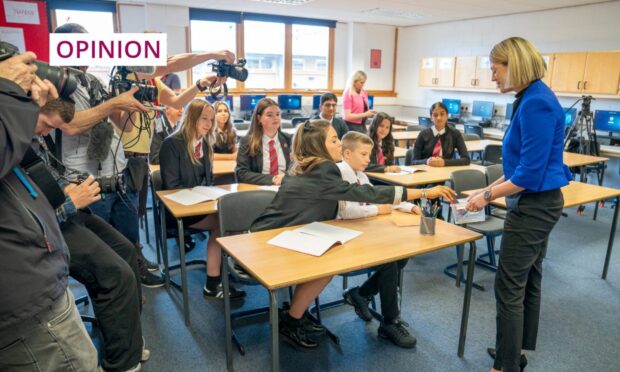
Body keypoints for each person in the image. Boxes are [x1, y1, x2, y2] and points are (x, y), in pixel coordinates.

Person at [250, 119, 456, 350]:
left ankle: (296, 313)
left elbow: (364, 191)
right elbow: (365, 192)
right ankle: (291, 320)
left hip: (281, 233)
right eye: (334, 139)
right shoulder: (323, 169)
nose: (339, 143)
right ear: (319, 145)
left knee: (331, 263)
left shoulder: (310, 166)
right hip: (269, 240)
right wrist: (423, 192)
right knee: (327, 265)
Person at [465, 37, 571, 372]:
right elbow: (518, 169)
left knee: (509, 285)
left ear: (516, 66)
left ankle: (506, 365)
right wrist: (486, 188)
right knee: (526, 280)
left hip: (535, 205)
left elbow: (528, 173)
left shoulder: (537, 102)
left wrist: (485, 196)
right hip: (536, 200)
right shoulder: (528, 97)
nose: (493, 77)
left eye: (496, 70)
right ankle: (513, 354)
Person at [33, 99, 149, 371]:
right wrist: (70, 202)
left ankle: (127, 342)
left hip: (65, 212)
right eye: (47, 125)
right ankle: (122, 364)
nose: (50, 132)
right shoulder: (12, 150)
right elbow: (27, 219)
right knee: (114, 275)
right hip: (51, 225)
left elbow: (51, 178)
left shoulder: (35, 142)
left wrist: (69, 188)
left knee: (127, 251)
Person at [0, 51, 97, 371]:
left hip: (43, 277)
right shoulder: (13, 121)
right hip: (27, 304)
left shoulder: (22, 139)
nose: (40, 132)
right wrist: (10, 93)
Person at [53, 23, 165, 287]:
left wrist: (131, 103)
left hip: (118, 174)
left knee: (127, 239)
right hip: (86, 181)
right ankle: (111, 293)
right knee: (102, 255)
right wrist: (113, 103)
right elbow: (70, 125)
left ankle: (132, 279)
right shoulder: (55, 82)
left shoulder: (94, 81)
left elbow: (121, 124)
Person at [336, 131, 419, 348]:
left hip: (363, 232)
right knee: (390, 260)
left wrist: (409, 206)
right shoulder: (338, 174)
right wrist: (377, 210)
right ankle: (389, 322)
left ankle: (361, 294)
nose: (368, 159)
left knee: (402, 256)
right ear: (347, 153)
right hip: (341, 237)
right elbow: (347, 212)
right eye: (363, 154)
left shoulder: (361, 176)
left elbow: (380, 198)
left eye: (369, 154)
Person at [159, 99, 246, 300]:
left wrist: (207, 195)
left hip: (202, 205)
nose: (208, 124)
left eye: (211, 119)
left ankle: (226, 270)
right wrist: (202, 196)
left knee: (236, 218)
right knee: (223, 223)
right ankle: (213, 283)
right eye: (203, 119)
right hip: (178, 209)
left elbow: (207, 180)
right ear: (191, 118)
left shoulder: (205, 143)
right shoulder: (172, 144)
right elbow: (172, 188)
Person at [235, 98, 292, 185]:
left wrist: (286, 177)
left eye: (278, 114)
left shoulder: (290, 140)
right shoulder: (247, 142)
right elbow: (242, 173)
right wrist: (273, 179)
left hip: (287, 187)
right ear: (259, 118)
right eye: (270, 115)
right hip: (260, 189)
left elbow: (299, 167)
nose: (275, 118)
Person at [406, 102, 470, 167]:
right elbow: (413, 161)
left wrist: (445, 162)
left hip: (446, 171)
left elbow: (466, 159)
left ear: (447, 116)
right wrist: (426, 161)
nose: (439, 118)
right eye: (435, 115)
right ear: (431, 118)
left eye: (442, 114)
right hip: (426, 172)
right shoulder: (423, 134)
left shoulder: (455, 134)